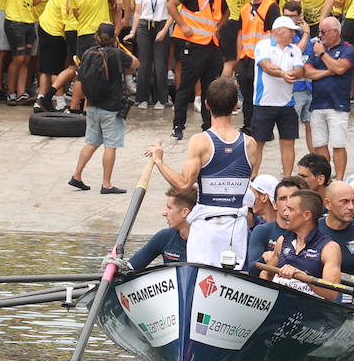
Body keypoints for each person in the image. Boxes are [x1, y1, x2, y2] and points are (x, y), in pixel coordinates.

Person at [146, 77, 253, 266]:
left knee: (200, 277)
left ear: (207, 104)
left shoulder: (200, 141)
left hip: (207, 227)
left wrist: (159, 161)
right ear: (237, 106)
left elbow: (184, 184)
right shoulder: (251, 144)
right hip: (236, 228)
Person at [70, 23, 137, 194]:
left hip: (92, 105)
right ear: (113, 37)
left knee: (91, 142)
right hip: (111, 107)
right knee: (111, 145)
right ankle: (106, 184)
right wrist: (120, 46)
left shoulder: (87, 53)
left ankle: (76, 176)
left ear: (96, 36)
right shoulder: (116, 53)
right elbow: (136, 63)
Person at [166, 0, 229, 140]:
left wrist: (217, 27)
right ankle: (178, 126)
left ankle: (208, 127)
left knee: (211, 89)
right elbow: (171, 5)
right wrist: (182, 25)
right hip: (192, 46)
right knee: (186, 87)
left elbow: (227, 12)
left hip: (211, 46)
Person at [257, 188, 341, 299]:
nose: (285, 213)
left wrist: (303, 277)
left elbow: (332, 294)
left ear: (306, 215)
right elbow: (265, 274)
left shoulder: (330, 248)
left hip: (309, 310)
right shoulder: (282, 241)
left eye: (290, 210)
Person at [250, 16, 307, 176]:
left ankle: (287, 177)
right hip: (264, 103)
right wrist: (283, 73)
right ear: (279, 31)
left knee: (289, 143)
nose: (293, 35)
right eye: (291, 31)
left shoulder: (294, 49)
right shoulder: (263, 45)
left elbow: (299, 70)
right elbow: (266, 66)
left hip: (287, 104)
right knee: (258, 143)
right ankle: (253, 176)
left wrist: (286, 73)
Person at [302, 17, 354, 180]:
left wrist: (323, 55)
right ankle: (325, 177)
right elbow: (308, 72)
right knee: (319, 145)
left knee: (338, 144)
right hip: (317, 103)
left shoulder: (347, 49)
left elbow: (341, 68)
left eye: (323, 32)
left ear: (335, 32)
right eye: (319, 31)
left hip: (337, 104)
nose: (320, 35)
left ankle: (339, 178)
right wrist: (328, 71)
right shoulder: (316, 48)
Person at [241, 176, 304, 271]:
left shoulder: (309, 232)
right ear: (274, 204)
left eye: (293, 198)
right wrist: (268, 259)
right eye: (283, 198)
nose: (288, 203)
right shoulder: (262, 230)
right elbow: (251, 269)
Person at [128, 188, 195, 269]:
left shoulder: (208, 241)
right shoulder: (164, 237)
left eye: (169, 208)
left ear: (184, 212)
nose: (164, 213)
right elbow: (130, 268)